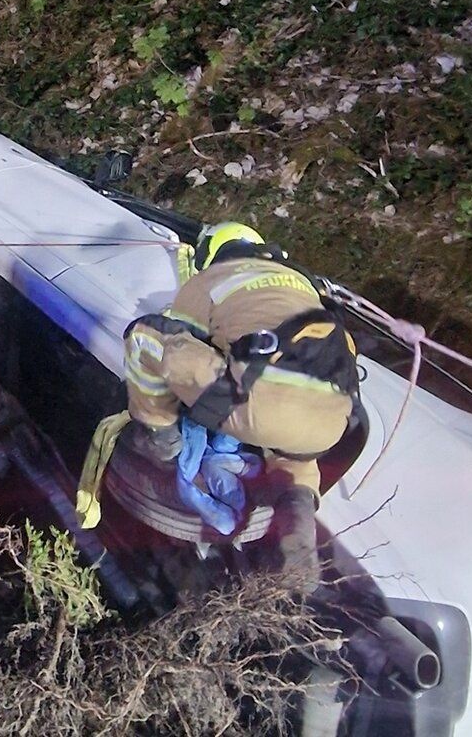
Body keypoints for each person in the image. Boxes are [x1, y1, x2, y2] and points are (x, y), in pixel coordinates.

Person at [121, 222, 360, 586]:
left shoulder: (209, 280)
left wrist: (175, 416)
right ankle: (297, 523)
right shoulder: (302, 284)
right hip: (335, 419)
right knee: (295, 448)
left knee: (146, 337)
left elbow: (182, 343)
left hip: (257, 403)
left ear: (209, 255)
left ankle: (159, 435)